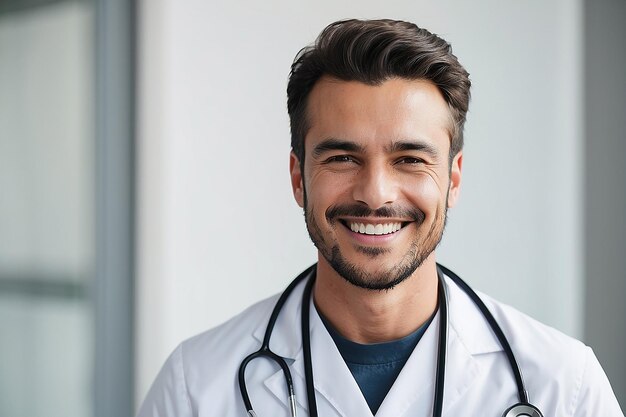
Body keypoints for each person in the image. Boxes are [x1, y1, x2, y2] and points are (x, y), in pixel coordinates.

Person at [137, 19, 623, 417]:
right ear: (298, 178)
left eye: (410, 159)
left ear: (453, 179)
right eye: (342, 158)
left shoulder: (564, 388)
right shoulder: (196, 389)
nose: (375, 194)